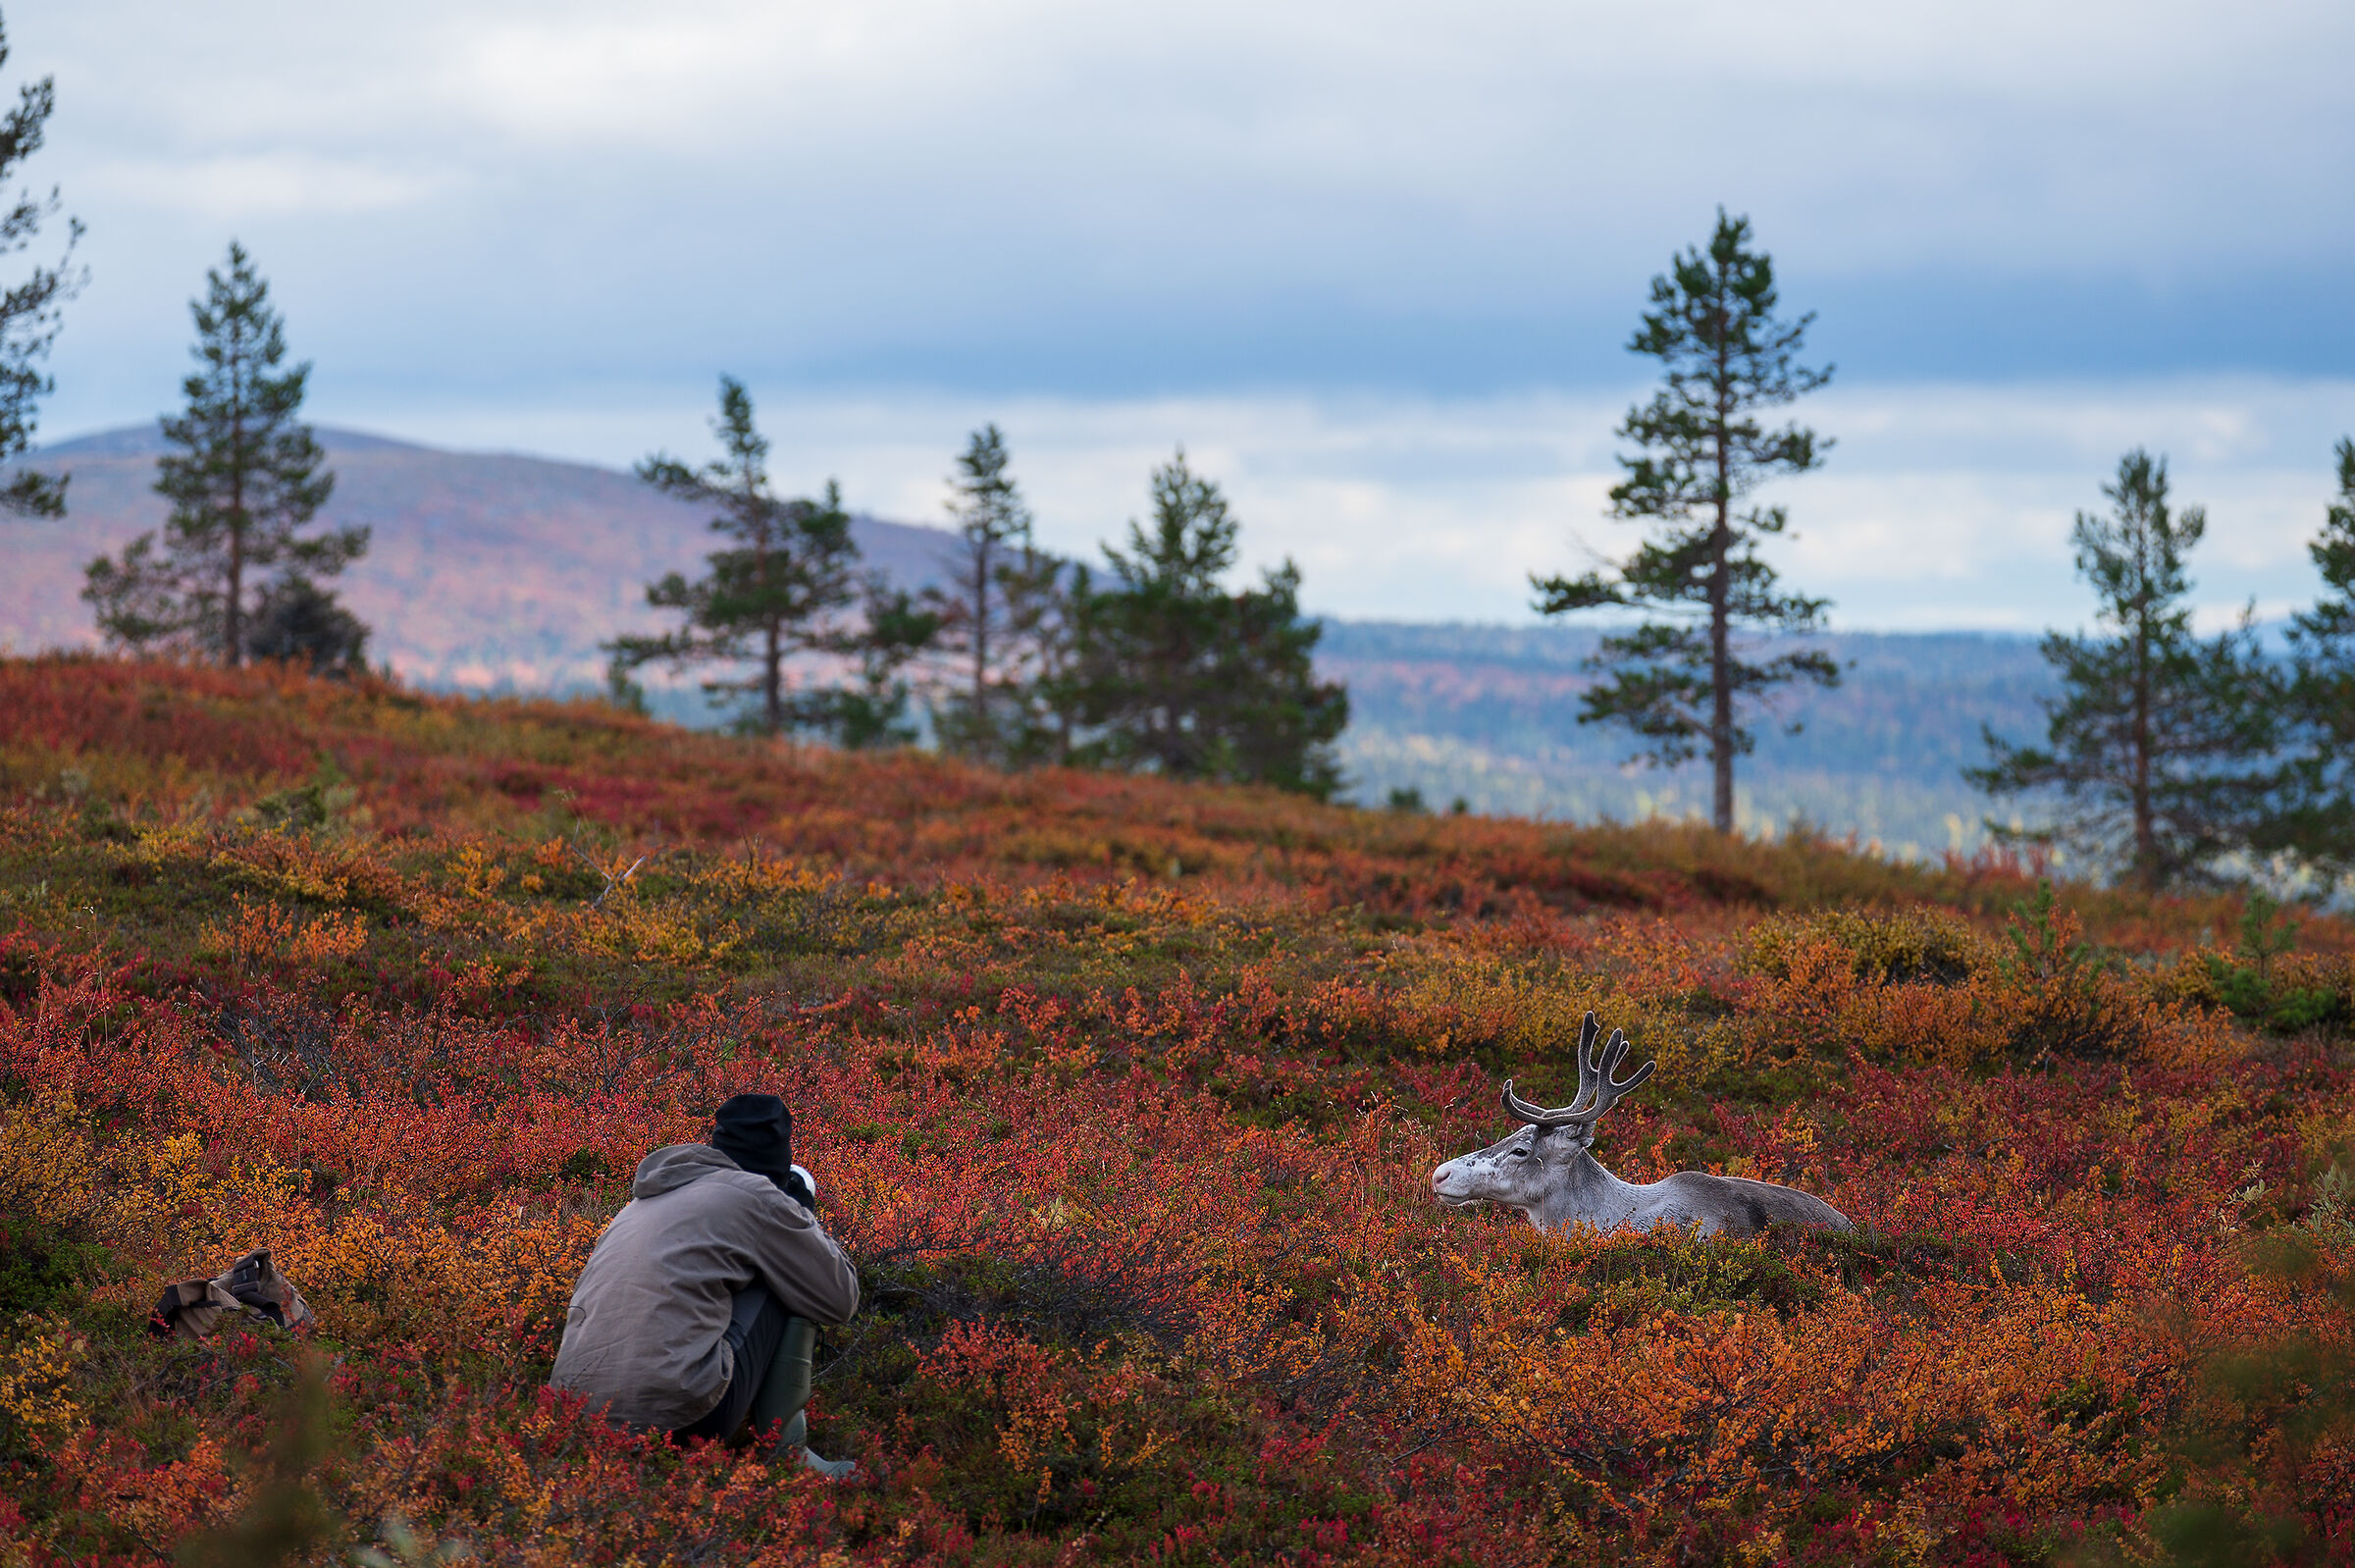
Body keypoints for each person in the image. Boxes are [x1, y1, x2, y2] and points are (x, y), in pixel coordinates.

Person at [550, 1093, 860, 1475]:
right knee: (790, 1277)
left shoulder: (642, 1202)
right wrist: (799, 1214)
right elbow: (839, 1298)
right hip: (681, 1419)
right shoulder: (757, 1196)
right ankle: (788, 1456)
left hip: (574, 1419)